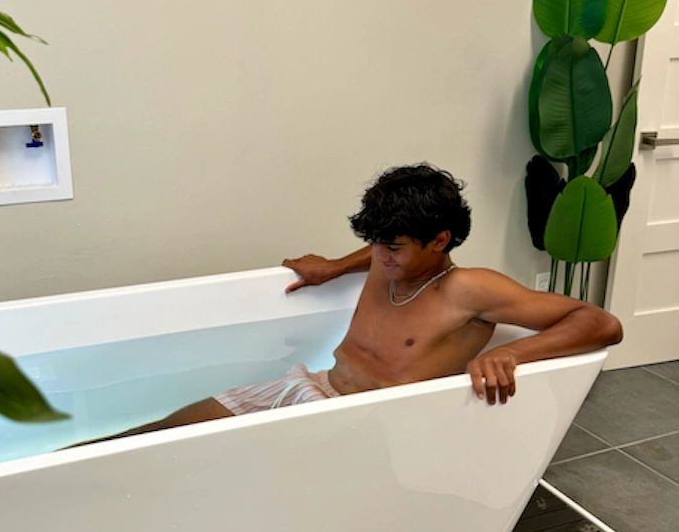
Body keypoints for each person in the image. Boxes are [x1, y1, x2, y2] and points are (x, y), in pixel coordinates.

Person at [91, 163, 622, 442]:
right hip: (309, 383)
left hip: (362, 426)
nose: (378, 258)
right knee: (156, 435)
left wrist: (512, 355)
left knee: (185, 466)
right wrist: (334, 267)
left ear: (440, 241)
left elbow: (600, 322)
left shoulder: (471, 290)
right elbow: (376, 255)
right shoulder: (383, 258)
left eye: (392, 247)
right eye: (374, 244)